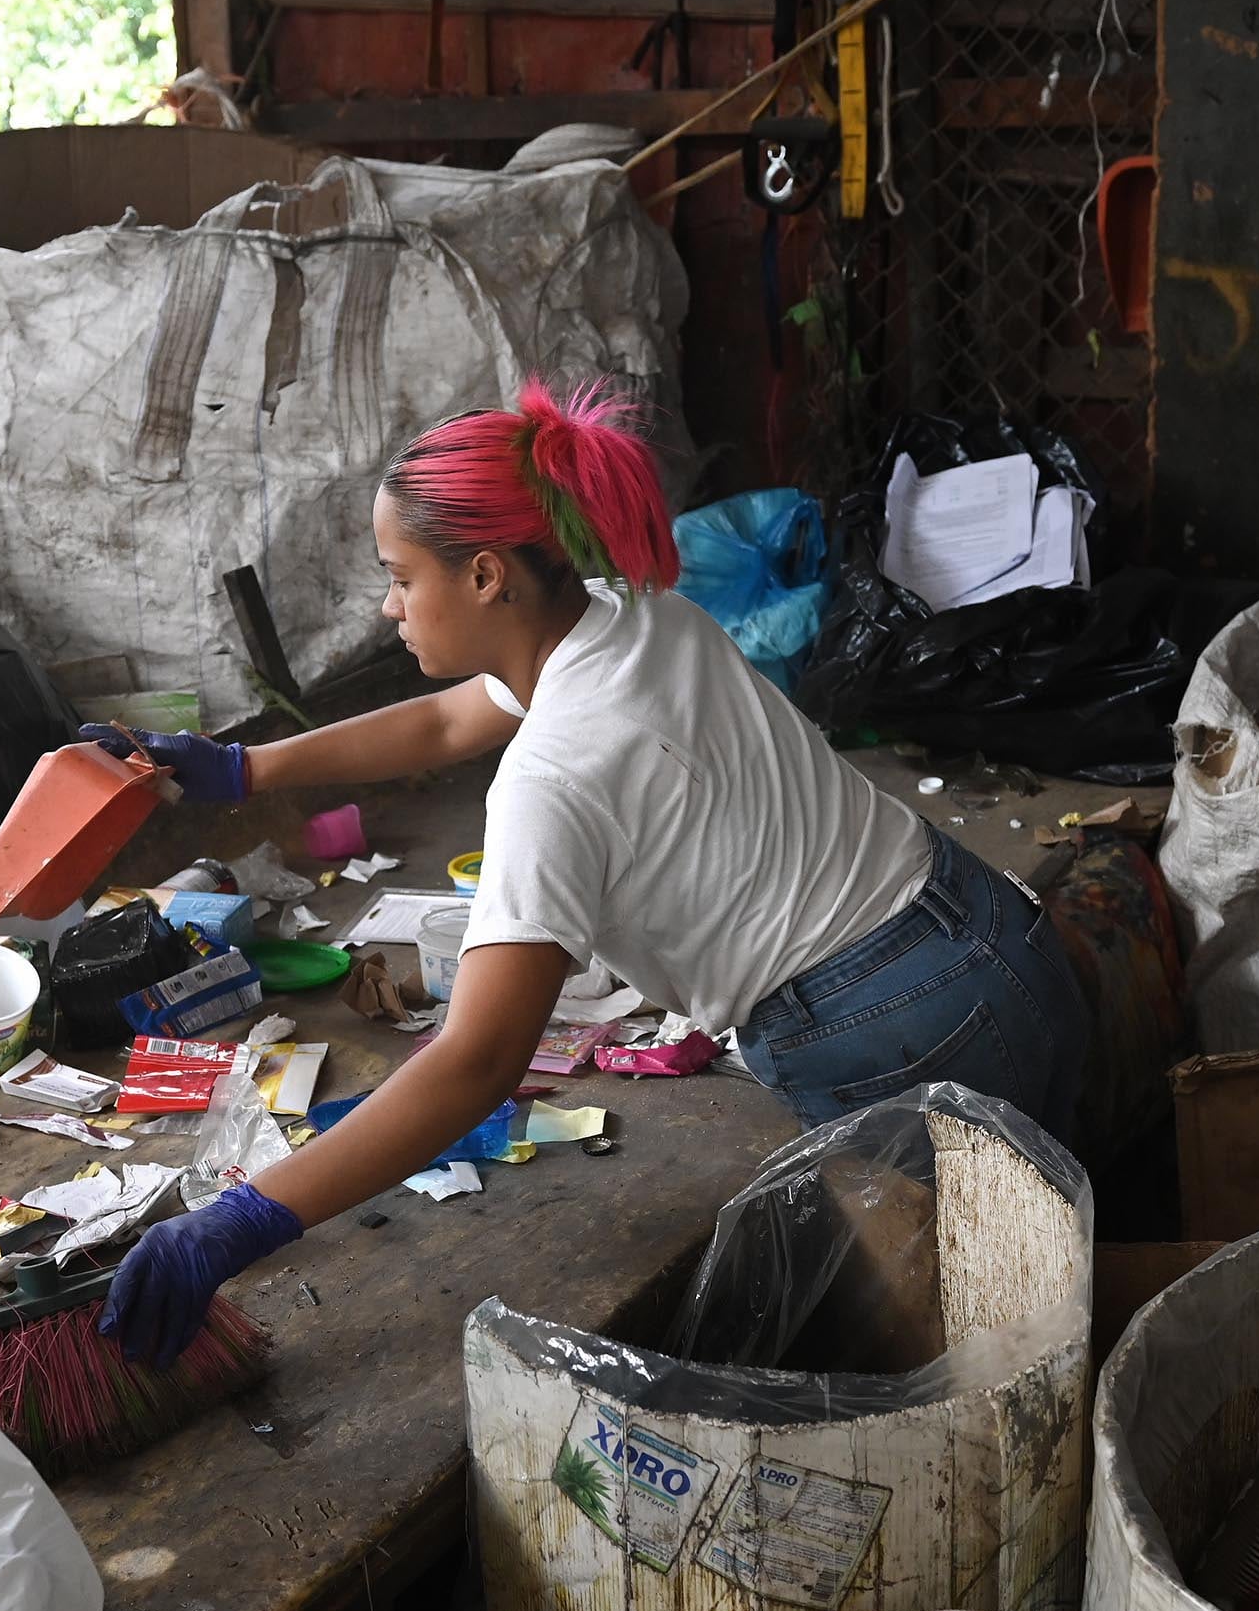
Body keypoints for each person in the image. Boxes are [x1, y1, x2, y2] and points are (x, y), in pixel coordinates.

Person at [94, 379, 1088, 1365]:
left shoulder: (552, 777)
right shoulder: (632, 617)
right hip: (995, 937)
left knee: (984, 1361)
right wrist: (244, 767)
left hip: (889, 1033)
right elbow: (447, 719)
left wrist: (246, 1217)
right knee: (1056, 1269)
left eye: (398, 574)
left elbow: (476, 1063)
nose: (387, 603)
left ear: (485, 575)